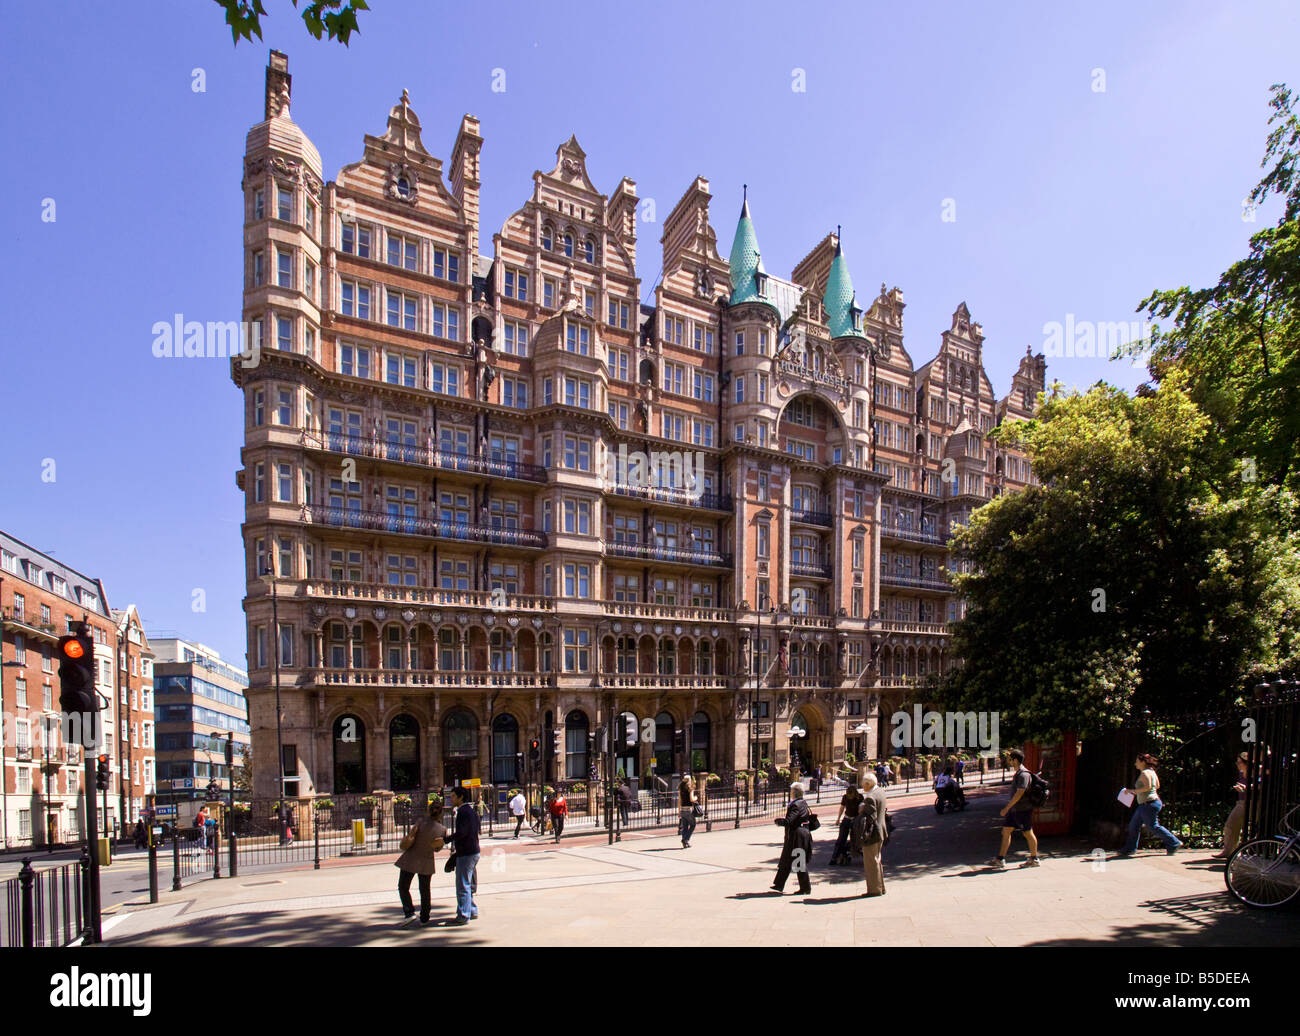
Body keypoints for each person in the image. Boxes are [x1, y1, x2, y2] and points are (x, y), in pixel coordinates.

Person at [1117, 753, 1182, 857]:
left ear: (1142, 762)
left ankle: (1174, 843)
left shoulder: (1145, 773)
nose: (1135, 764)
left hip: (1148, 804)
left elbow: (1148, 787)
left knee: (1153, 826)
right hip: (1148, 803)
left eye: (1137, 761)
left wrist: (1132, 791)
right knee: (1134, 825)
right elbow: (1157, 785)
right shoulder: (1152, 772)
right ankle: (1129, 848)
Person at [395, 799, 446, 924]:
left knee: (403, 886)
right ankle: (425, 916)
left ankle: (409, 912)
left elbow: (411, 836)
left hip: (411, 857)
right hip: (427, 860)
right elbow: (438, 849)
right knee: (424, 889)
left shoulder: (420, 822)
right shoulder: (442, 829)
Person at [988, 748, 1039, 869]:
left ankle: (1034, 858)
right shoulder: (1019, 773)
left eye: (1010, 759)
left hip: (1022, 809)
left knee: (1027, 832)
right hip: (1015, 809)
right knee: (1006, 831)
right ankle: (1000, 859)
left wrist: (1007, 808)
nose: (1009, 761)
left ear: (1015, 760)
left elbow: (1019, 793)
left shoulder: (1024, 774)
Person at [771, 782, 815, 895]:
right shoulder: (802, 802)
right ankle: (779, 884)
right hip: (798, 835)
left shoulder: (796, 805)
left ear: (794, 792)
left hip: (798, 836)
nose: (790, 793)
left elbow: (790, 820)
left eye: (791, 791)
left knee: (798, 861)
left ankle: (805, 888)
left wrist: (780, 821)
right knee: (786, 859)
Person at [448, 786, 481, 925]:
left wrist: (446, 840)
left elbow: (461, 833)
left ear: (460, 797)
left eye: (453, 796)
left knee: (463, 885)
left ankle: (463, 915)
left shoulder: (463, 812)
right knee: (466, 883)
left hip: (466, 853)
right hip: (473, 851)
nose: (451, 798)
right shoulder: (471, 811)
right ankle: (472, 910)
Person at [1213, 753, 1251, 860]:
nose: (1237, 764)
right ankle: (1230, 851)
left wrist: (1247, 788)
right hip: (1241, 801)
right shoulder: (1241, 773)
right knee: (1232, 825)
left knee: (1231, 824)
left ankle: (1230, 851)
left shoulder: (1254, 773)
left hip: (1250, 802)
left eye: (1239, 762)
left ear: (1246, 763)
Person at [858, 771, 889, 896]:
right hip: (880, 830)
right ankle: (880, 887)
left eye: (863, 784)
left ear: (867, 784)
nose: (862, 786)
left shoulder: (870, 797)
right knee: (877, 860)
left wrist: (861, 808)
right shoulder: (880, 791)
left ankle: (874, 890)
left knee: (871, 862)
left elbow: (870, 817)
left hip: (872, 834)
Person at [829, 780, 863, 865]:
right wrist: (838, 819)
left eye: (851, 795)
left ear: (854, 794)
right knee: (841, 839)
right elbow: (842, 808)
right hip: (847, 819)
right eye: (848, 795)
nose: (849, 797)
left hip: (855, 820)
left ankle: (850, 854)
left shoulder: (860, 797)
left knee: (855, 839)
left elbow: (861, 810)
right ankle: (834, 858)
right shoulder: (845, 797)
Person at [678, 776, 698, 849]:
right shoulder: (690, 789)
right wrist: (696, 798)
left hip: (682, 810)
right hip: (688, 810)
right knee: (693, 825)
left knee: (685, 827)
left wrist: (679, 811)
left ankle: (685, 843)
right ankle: (685, 839)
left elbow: (679, 801)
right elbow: (692, 799)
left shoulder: (681, 789)